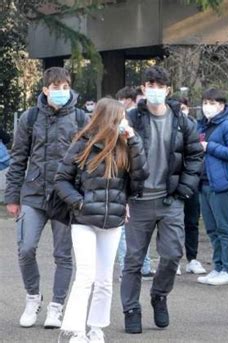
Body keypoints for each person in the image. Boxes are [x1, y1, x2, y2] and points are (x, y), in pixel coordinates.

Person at [55, 98, 149, 343]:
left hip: (113, 221)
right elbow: (61, 179)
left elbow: (140, 180)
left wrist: (134, 141)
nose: (123, 123)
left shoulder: (126, 145)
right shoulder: (82, 144)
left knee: (105, 279)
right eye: (120, 118)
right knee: (86, 275)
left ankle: (96, 328)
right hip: (84, 219)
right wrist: (80, 203)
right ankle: (75, 331)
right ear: (108, 119)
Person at [120, 65, 203, 334]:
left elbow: (194, 156)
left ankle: (159, 294)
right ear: (143, 89)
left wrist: (184, 189)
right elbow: (118, 160)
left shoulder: (182, 121)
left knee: (171, 255)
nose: (155, 90)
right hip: (138, 200)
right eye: (150, 85)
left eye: (160, 86)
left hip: (171, 201)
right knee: (133, 260)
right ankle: (131, 308)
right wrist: (122, 196)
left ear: (168, 90)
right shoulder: (130, 119)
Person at [5, 67, 89, 329]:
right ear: (45, 89)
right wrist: (12, 196)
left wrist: (84, 195)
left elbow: (89, 160)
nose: (61, 92)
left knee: (63, 255)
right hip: (33, 194)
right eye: (55, 87)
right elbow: (18, 158)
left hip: (66, 197)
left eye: (65, 87)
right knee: (26, 248)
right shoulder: (30, 117)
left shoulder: (80, 118)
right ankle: (33, 298)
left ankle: (56, 307)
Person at [196, 88, 228, 285]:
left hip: (222, 184)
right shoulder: (203, 125)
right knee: (212, 229)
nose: (208, 106)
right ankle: (218, 267)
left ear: (221, 105)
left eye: (212, 102)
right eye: (205, 102)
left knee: (224, 227)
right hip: (204, 183)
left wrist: (209, 147)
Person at [115, 85, 155, 280]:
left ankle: (138, 267)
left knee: (134, 230)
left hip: (136, 181)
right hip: (132, 181)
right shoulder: (130, 119)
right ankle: (134, 267)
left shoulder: (131, 119)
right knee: (131, 230)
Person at [176, 97, 206, 275]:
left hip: (192, 181)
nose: (182, 111)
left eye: (184, 107)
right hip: (172, 181)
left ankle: (192, 258)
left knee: (192, 221)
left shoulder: (196, 127)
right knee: (173, 223)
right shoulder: (168, 127)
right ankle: (173, 260)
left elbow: (197, 156)